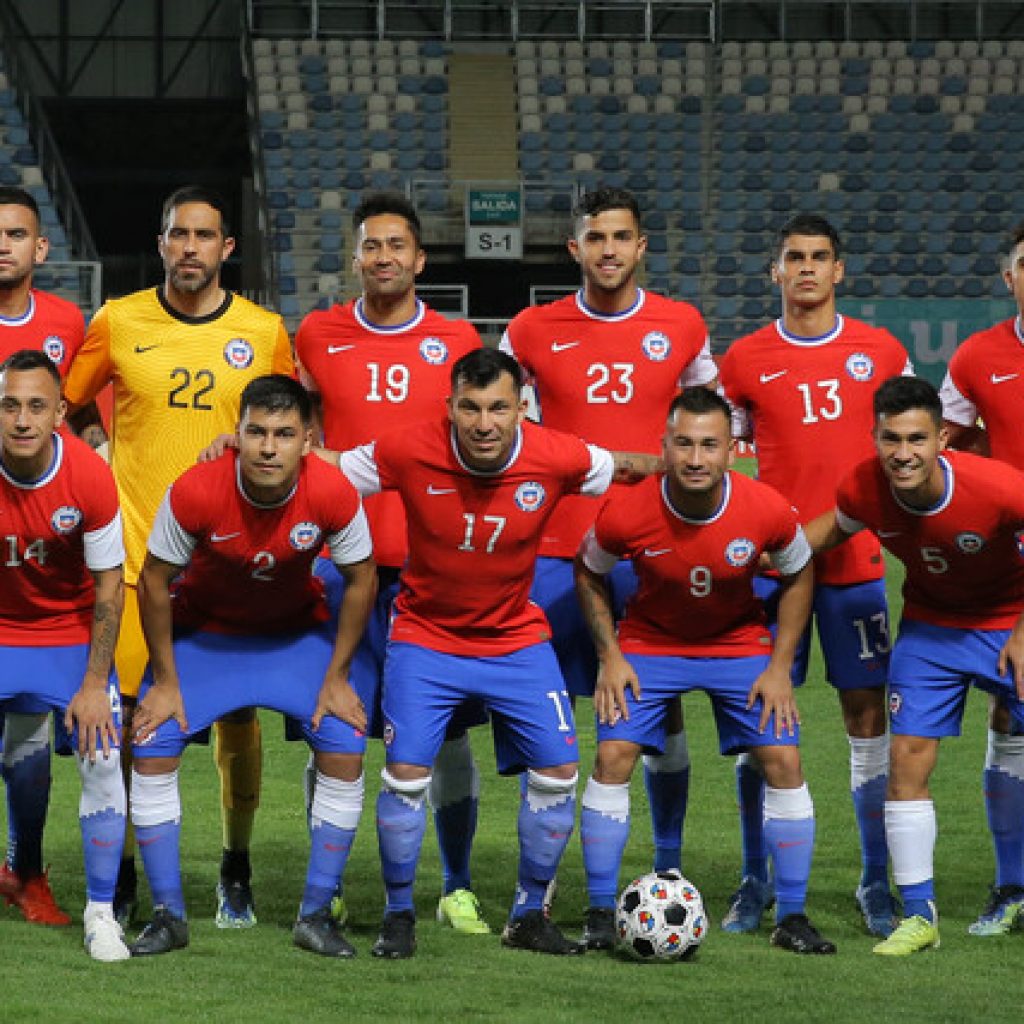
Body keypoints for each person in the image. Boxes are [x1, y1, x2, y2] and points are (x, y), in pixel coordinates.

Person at [323, 347, 658, 959]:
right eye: (470, 408)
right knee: (405, 778)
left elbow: (627, 467)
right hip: (425, 637)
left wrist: (690, 464)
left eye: (498, 408)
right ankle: (399, 915)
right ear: (449, 407)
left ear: (520, 408)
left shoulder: (555, 454)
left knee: (557, 773)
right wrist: (242, 448)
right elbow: (332, 466)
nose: (484, 423)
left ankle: (528, 915)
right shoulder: (408, 449)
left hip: (514, 639)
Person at [63, 186, 295, 928]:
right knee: (135, 721)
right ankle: (130, 869)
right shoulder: (118, 320)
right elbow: (68, 400)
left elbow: (291, 429)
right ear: (161, 242)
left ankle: (235, 865)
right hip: (138, 564)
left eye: (203, 235)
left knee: (238, 719)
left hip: (228, 564)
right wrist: (96, 448)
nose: (190, 247)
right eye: (177, 234)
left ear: (227, 248)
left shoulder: (263, 331)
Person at [500, 188, 717, 906]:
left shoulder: (681, 325)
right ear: (575, 249)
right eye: (596, 238)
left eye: (622, 237)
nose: (609, 250)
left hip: (656, 549)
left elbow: (713, 420)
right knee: (550, 714)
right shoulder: (530, 329)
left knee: (660, 707)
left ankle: (669, 865)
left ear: (641, 246)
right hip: (554, 550)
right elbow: (500, 423)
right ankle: (542, 880)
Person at [575, 387, 835, 954]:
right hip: (649, 642)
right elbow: (589, 570)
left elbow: (799, 573)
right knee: (612, 755)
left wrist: (779, 666)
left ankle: (792, 915)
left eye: (709, 445)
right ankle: (597, 910)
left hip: (736, 643)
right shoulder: (627, 510)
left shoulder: (766, 508)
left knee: (783, 759)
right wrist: (611, 656)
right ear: (664, 447)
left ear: (732, 450)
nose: (696, 459)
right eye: (684, 444)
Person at [127, 375, 375, 957]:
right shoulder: (195, 489)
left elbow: (361, 578)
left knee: (345, 741)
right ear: (235, 435)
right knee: (151, 740)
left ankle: (316, 914)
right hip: (208, 637)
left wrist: (338, 677)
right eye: (257, 432)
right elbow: (155, 580)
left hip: (294, 637)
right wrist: (165, 681)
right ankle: (168, 915)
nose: (268, 447)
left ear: (307, 441)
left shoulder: (334, 492)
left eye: (283, 434)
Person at [295, 191, 486, 932]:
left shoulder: (456, 338)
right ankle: (329, 885)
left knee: (449, 733)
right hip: (338, 563)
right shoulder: (317, 334)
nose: (383, 258)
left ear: (420, 259)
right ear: (355, 259)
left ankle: (457, 886)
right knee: (333, 725)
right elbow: (293, 423)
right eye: (371, 246)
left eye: (396, 246)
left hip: (432, 568)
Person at [718, 213, 912, 937]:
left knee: (867, 720)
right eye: (794, 257)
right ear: (775, 271)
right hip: (768, 572)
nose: (806, 268)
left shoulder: (882, 351)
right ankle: (755, 879)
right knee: (760, 723)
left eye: (819, 256)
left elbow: (913, 445)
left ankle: (874, 880)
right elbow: (721, 457)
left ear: (839, 270)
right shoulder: (743, 360)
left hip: (855, 568)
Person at [805, 375, 1024, 955]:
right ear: (875, 438)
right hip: (930, 631)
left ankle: (1013, 889)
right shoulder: (863, 485)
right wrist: (758, 550)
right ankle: (919, 914)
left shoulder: (997, 486)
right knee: (906, 757)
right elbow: (832, 530)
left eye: (917, 439)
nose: (903, 453)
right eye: (891, 439)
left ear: (942, 439)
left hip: (1010, 620)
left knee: (1016, 743)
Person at [0, 349, 128, 961]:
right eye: (9, 406)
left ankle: (101, 915)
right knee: (24, 757)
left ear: (59, 414)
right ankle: (22, 872)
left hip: (68, 632)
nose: (22, 419)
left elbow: (110, 586)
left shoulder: (88, 476)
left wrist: (95, 683)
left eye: (36, 406)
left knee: (102, 754)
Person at [0, 186, 88, 926]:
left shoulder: (67, 322)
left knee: (28, 734)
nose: (2, 244)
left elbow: (81, 419)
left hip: (34, 551)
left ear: (41, 247)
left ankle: (25, 870)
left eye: (15, 232)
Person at [938, 222, 1024, 936]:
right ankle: (1012, 884)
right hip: (1010, 562)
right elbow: (943, 444)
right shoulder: (977, 357)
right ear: (1009, 277)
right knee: (1009, 710)